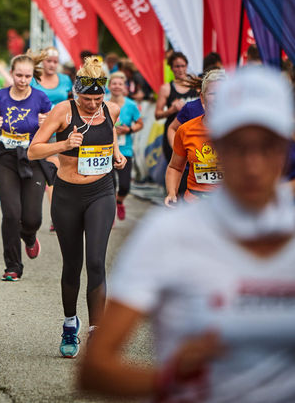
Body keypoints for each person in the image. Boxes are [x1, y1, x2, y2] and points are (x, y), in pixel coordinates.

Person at [80, 66, 295, 402]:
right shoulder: (169, 233)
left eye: (267, 146)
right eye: (238, 146)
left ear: (285, 147)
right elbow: (93, 371)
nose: (253, 163)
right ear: (219, 145)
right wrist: (172, 379)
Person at [28, 56, 126, 358]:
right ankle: (70, 324)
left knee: (96, 261)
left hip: (102, 190)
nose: (94, 105)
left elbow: (109, 137)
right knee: (72, 265)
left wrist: (117, 154)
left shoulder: (111, 109)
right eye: (88, 99)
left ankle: (97, 331)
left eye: (98, 99)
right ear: (76, 94)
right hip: (68, 194)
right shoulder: (62, 112)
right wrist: (64, 145)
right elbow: (33, 151)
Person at [0, 54, 51, 281]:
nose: (22, 80)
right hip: (7, 158)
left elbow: (54, 124)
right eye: (19, 75)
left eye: (27, 76)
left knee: (32, 218)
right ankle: (13, 266)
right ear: (11, 74)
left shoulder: (40, 97)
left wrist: (45, 123)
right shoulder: (1, 96)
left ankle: (29, 236)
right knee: (11, 213)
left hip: (32, 157)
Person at [165, 69, 226, 206]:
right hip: (195, 205)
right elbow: (175, 167)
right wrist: (172, 193)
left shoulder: (241, 131)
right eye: (213, 94)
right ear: (203, 98)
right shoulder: (186, 130)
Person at [31, 47, 74, 231]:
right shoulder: (33, 80)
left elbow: (74, 101)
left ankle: (64, 213)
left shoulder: (65, 80)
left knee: (63, 172)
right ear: (42, 62)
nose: (52, 64)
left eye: (55, 61)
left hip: (63, 130)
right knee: (53, 172)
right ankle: (57, 216)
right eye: (48, 61)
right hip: (40, 131)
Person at [107, 71, 142, 221]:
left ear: (124, 86)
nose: (116, 86)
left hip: (125, 150)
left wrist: (130, 129)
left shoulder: (131, 105)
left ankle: (119, 201)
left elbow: (140, 123)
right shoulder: (103, 103)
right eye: (114, 83)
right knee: (110, 185)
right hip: (107, 150)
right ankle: (110, 214)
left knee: (125, 186)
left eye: (120, 84)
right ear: (109, 86)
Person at [156, 52, 199, 163]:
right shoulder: (166, 88)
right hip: (174, 133)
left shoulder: (196, 86)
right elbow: (157, 114)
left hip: (194, 133)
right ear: (171, 68)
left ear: (187, 66)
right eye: (177, 66)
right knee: (176, 169)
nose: (180, 69)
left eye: (183, 66)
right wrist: (171, 110)